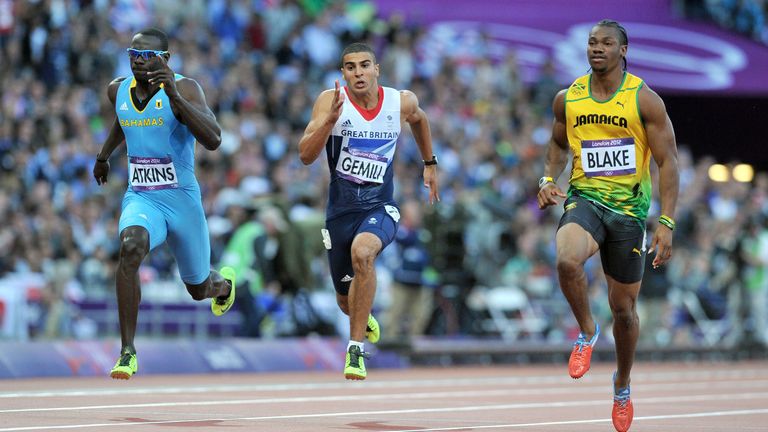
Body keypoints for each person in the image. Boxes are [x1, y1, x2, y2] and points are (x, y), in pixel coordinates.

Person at [537, 20, 679, 432]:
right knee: (566, 259)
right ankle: (586, 330)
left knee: (625, 310)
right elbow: (558, 145)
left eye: (607, 43)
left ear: (623, 50)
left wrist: (666, 222)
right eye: (592, 43)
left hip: (629, 214)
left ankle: (622, 384)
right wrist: (548, 179)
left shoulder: (644, 99)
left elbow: (668, 161)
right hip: (585, 200)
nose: (597, 49)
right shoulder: (568, 98)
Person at [93, 28, 236, 380]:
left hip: (182, 202)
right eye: (133, 55)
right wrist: (103, 155)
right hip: (142, 197)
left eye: (147, 56)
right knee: (131, 247)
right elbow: (124, 122)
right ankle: (127, 350)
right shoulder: (117, 90)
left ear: (166, 59)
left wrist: (174, 95)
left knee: (198, 288)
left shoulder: (186, 88)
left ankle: (224, 286)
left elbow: (214, 139)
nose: (139, 63)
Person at [298, 42, 439, 380]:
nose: (358, 72)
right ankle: (362, 315)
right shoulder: (330, 101)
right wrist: (329, 121)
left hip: (381, 206)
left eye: (364, 65)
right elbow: (305, 155)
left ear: (377, 69)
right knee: (345, 302)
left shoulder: (400, 101)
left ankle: (355, 350)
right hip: (339, 214)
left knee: (365, 253)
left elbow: (419, 120)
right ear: (343, 73)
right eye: (350, 67)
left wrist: (430, 162)